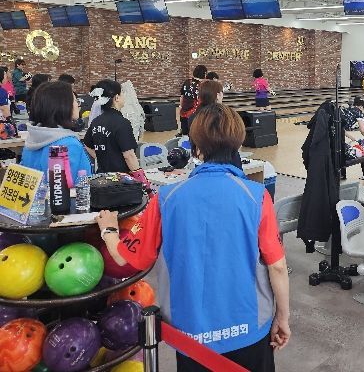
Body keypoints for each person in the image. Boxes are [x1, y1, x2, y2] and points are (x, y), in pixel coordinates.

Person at [96, 104, 290, 372]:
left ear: (196, 148)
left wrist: (108, 231)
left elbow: (128, 258)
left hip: (191, 336)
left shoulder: (166, 199)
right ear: (237, 143)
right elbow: (277, 267)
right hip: (250, 329)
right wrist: (283, 316)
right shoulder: (257, 196)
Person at [20, 81, 93, 183]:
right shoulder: (68, 144)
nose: (78, 105)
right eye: (75, 101)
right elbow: (72, 186)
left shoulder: (31, 141)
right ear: (64, 106)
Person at [83, 80, 144, 177]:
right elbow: (129, 156)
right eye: (122, 93)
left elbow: (87, 145)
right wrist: (142, 179)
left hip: (102, 177)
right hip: (120, 179)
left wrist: (102, 158)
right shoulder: (122, 123)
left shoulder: (96, 122)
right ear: (117, 98)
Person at [179, 65, 207, 135]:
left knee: (185, 134)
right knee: (194, 134)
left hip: (184, 112)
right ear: (204, 74)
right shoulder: (202, 86)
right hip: (194, 114)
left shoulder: (187, 82)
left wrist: (180, 107)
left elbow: (182, 96)